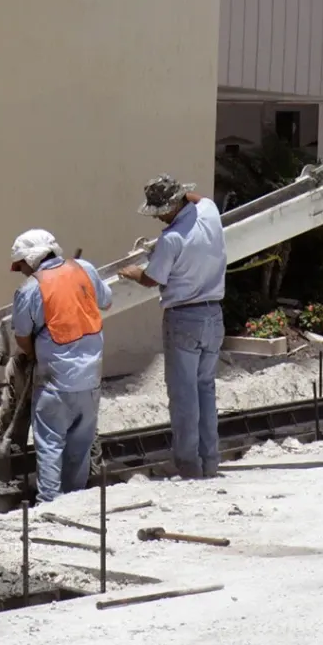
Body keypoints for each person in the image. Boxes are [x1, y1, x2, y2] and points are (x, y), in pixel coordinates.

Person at [119, 174, 228, 479]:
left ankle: (188, 465)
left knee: (184, 396)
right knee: (205, 389)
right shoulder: (208, 212)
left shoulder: (172, 239)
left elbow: (153, 279)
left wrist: (132, 272)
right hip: (213, 314)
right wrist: (182, 196)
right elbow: (197, 198)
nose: (158, 218)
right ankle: (210, 460)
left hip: (184, 317)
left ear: (170, 206)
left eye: (160, 211)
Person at [9, 229, 112, 502]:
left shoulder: (30, 288)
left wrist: (33, 356)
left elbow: (22, 336)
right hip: (90, 380)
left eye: (20, 265)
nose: (20, 271)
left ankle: (50, 507)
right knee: (80, 448)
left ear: (31, 259)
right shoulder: (85, 269)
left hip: (55, 382)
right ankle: (75, 504)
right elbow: (106, 300)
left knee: (50, 447)